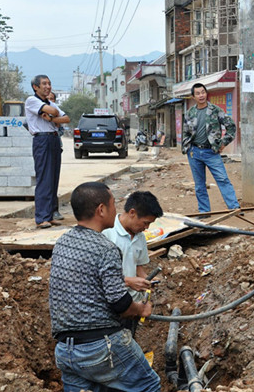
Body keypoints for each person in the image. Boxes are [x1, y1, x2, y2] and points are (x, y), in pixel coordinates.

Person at [49, 182, 161, 391]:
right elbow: (120, 303)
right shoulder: (105, 248)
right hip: (100, 346)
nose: (117, 210)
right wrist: (140, 308)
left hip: (65, 350)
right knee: (149, 384)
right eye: (113, 205)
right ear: (101, 210)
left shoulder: (62, 243)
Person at [102, 191, 164, 337]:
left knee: (129, 340)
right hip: (112, 304)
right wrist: (128, 282)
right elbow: (97, 275)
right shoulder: (107, 233)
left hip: (132, 306)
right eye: (145, 222)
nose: (147, 228)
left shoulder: (140, 237)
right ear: (132, 213)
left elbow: (137, 267)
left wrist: (146, 280)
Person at [182, 83, 240, 214]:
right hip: (194, 152)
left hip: (211, 152)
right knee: (199, 185)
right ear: (193, 96)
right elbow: (185, 132)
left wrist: (223, 143)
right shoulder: (190, 113)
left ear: (206, 93)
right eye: (198, 93)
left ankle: (234, 208)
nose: (201, 95)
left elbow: (231, 126)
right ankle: (204, 212)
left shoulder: (215, 110)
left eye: (203, 92)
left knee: (223, 179)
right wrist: (187, 148)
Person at [25, 75, 70, 228]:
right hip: (42, 140)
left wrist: (50, 119)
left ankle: (50, 215)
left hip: (54, 139)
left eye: (49, 83)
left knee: (53, 178)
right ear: (35, 87)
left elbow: (66, 119)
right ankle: (41, 217)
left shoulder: (50, 102)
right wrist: (54, 114)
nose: (48, 86)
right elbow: (54, 111)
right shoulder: (32, 101)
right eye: (44, 84)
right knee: (44, 177)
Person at [47, 91, 65, 221]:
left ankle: (54, 210)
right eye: (48, 99)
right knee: (45, 180)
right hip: (43, 147)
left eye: (52, 99)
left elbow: (61, 129)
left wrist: (54, 121)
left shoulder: (57, 113)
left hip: (55, 147)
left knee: (54, 180)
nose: (50, 101)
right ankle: (45, 211)